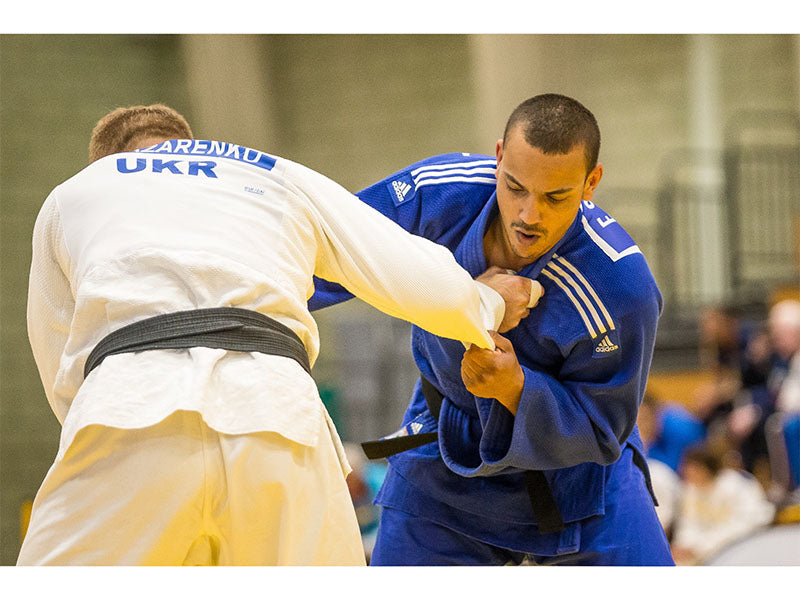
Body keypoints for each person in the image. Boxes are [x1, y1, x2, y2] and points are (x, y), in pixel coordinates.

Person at [19, 104, 535, 566]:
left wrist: (102, 423)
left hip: (127, 411)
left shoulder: (75, 195)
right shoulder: (267, 170)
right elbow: (400, 267)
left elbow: (60, 358)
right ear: (191, 142)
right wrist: (486, 304)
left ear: (103, 166)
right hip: (274, 413)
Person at [310, 94, 674, 565]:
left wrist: (518, 388)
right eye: (515, 186)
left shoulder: (620, 285)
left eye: (555, 197)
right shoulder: (437, 195)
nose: (528, 214)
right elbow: (323, 256)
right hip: (443, 449)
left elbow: (603, 428)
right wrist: (468, 301)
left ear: (591, 183)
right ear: (498, 155)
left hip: (580, 481)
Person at [671, 444, 775, 565]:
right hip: (702, 552)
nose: (687, 473)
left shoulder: (735, 485)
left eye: (693, 468)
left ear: (706, 468)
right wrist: (683, 545)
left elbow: (746, 523)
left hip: (742, 548)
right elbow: (688, 523)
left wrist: (701, 547)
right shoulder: (690, 490)